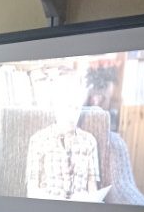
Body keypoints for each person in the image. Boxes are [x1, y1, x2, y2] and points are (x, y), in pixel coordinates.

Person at [26, 73, 100, 201]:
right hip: (48, 205)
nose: (72, 114)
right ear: (56, 108)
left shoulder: (89, 141)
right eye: (68, 107)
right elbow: (32, 189)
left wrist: (92, 202)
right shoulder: (38, 140)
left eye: (76, 108)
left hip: (80, 207)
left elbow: (92, 185)